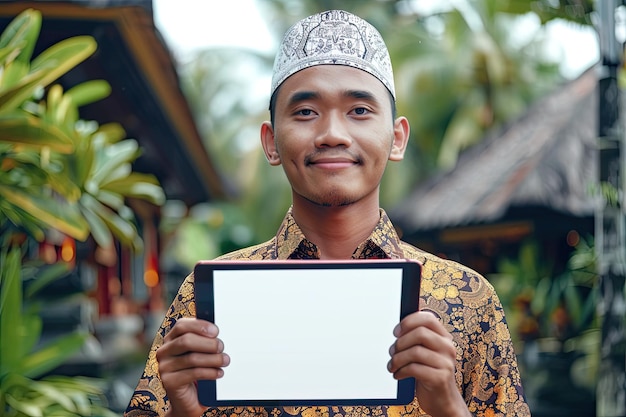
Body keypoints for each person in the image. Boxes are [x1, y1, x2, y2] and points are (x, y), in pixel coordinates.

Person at [125, 9, 531, 417]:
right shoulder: (208, 300)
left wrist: (447, 406)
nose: (333, 134)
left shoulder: (468, 299)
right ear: (271, 142)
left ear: (396, 138)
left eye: (359, 111)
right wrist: (183, 411)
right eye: (305, 112)